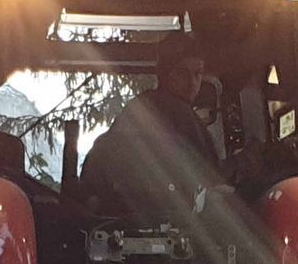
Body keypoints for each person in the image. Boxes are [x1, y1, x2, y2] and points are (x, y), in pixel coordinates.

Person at [79, 35, 224, 218]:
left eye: (198, 74)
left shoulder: (137, 107)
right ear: (165, 73)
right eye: (182, 73)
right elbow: (212, 174)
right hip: (165, 221)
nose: (192, 82)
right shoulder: (180, 114)